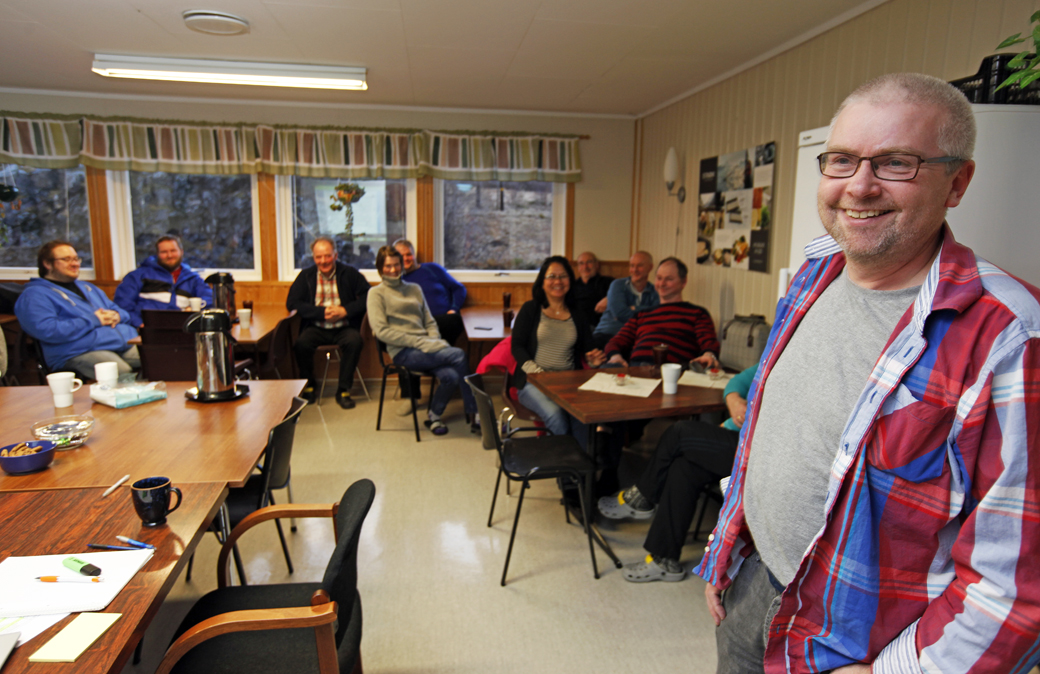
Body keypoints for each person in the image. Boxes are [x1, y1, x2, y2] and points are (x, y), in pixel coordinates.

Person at [697, 73, 1040, 674]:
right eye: (842, 160)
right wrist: (726, 547)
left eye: (896, 163)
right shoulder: (814, 272)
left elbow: (1017, 581)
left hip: (859, 643)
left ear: (957, 183)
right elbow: (768, 432)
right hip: (755, 587)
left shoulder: (1008, 334)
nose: (859, 185)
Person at [599, 364, 757, 583]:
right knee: (684, 467)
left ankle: (642, 497)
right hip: (736, 439)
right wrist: (733, 399)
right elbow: (739, 380)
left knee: (679, 433)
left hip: (757, 453)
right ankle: (664, 560)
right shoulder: (779, 352)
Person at [367, 245, 476, 435]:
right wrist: (420, 342)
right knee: (458, 355)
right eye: (388, 266)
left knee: (451, 376)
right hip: (403, 352)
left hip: (426, 347)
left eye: (396, 265)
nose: (393, 270)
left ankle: (434, 417)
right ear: (380, 268)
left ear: (402, 265)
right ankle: (475, 414)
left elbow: (429, 321)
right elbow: (382, 332)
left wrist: (433, 340)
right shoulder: (376, 294)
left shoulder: (414, 289)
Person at [511, 256, 605, 450]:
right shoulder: (531, 309)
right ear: (542, 282)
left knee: (582, 415)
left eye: (563, 276)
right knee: (556, 414)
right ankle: (565, 472)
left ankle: (581, 467)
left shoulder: (578, 313)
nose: (557, 281)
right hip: (533, 382)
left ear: (570, 281)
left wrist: (594, 360)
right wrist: (538, 373)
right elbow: (517, 346)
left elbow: (588, 349)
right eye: (551, 276)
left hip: (568, 382)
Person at [15, 240, 140, 379]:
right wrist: (94, 320)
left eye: (76, 259)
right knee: (119, 371)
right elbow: (49, 331)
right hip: (77, 352)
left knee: (160, 358)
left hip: (120, 343)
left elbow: (120, 311)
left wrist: (117, 315)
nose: (75, 264)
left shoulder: (89, 288)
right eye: (66, 259)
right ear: (47, 264)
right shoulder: (34, 295)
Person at [286, 237, 369, 409]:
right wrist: (321, 313)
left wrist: (345, 310)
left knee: (355, 342)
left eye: (327, 256)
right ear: (314, 258)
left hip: (344, 327)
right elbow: (292, 303)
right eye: (319, 257)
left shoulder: (350, 273)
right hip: (316, 327)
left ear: (335, 255)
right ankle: (309, 385)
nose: (323, 261)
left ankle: (343, 390)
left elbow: (369, 296)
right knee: (301, 344)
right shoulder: (306, 276)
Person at [603, 257, 719, 368]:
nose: (662, 284)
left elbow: (709, 343)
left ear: (683, 282)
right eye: (659, 278)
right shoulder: (642, 315)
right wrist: (615, 357)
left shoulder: (697, 313)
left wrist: (709, 355)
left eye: (669, 279)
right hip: (636, 370)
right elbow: (616, 342)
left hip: (673, 372)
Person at [114, 235, 213, 327]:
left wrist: (193, 308)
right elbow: (123, 305)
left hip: (183, 329)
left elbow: (209, 299)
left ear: (181, 252)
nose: (169, 255)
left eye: (173, 250)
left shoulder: (193, 278)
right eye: (164, 252)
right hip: (148, 330)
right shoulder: (138, 275)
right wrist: (139, 324)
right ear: (157, 254)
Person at [393, 239, 467, 346]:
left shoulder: (433, 268)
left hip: (445, 320)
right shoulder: (397, 280)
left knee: (454, 320)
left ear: (414, 255)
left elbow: (459, 289)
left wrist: (453, 309)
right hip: (418, 327)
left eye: (409, 254)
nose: (405, 258)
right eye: (401, 255)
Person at [592, 251, 658, 349]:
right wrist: (645, 311)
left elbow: (656, 316)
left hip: (635, 340)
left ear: (650, 267)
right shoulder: (618, 285)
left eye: (639, 266)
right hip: (607, 334)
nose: (634, 270)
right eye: (632, 266)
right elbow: (620, 313)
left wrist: (634, 308)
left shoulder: (655, 291)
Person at [571, 251, 613, 330]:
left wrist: (609, 299)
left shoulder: (608, 282)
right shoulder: (572, 286)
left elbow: (624, 293)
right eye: (581, 263)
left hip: (601, 326)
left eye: (589, 262)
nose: (585, 267)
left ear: (596, 265)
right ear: (578, 268)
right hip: (576, 327)